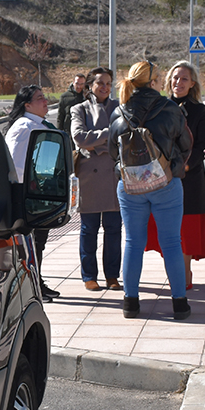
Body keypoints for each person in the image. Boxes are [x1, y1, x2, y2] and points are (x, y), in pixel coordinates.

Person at [106, 61, 192, 320]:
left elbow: (112, 151)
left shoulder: (119, 110)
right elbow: (185, 144)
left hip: (130, 186)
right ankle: (179, 304)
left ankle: (130, 303)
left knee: (133, 242)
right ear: (153, 81)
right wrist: (173, 165)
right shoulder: (170, 108)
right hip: (165, 183)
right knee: (172, 243)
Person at [5, 84, 60, 300]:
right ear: (27, 104)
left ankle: (37, 281)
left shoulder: (36, 125)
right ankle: (32, 285)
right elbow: (15, 164)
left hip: (37, 191)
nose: (45, 101)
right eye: (40, 98)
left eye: (45, 97)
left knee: (39, 242)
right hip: (27, 194)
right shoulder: (24, 127)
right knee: (32, 243)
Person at [69, 66, 121, 292]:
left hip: (114, 175)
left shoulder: (119, 107)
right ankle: (89, 275)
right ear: (90, 85)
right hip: (89, 176)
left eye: (108, 83)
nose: (105, 87)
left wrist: (96, 144)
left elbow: (126, 136)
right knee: (89, 229)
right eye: (100, 83)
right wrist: (110, 134)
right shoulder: (79, 109)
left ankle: (112, 275)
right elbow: (80, 138)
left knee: (114, 230)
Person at [166, 61, 205, 289]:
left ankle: (183, 273)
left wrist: (183, 167)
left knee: (185, 230)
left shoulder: (198, 110)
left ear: (192, 83)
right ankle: (176, 272)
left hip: (189, 177)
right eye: (175, 78)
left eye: (184, 78)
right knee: (167, 229)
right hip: (163, 178)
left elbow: (203, 145)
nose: (179, 82)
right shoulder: (161, 107)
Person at [57, 73, 87, 138]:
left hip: (84, 133)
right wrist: (59, 134)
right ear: (73, 82)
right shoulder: (64, 97)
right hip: (68, 134)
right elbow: (60, 116)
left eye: (81, 84)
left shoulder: (87, 97)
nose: (79, 86)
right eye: (77, 83)